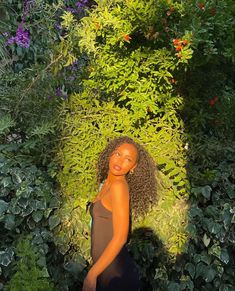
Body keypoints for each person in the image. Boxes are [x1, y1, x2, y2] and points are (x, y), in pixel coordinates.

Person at [83, 136, 157, 291]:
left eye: (128, 159)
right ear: (110, 153)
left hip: (116, 277)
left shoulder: (119, 186)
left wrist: (92, 275)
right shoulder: (106, 183)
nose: (120, 161)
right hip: (105, 271)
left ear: (133, 167)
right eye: (118, 154)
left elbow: (120, 237)